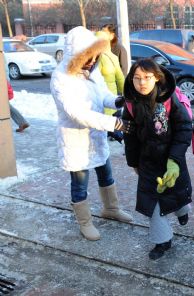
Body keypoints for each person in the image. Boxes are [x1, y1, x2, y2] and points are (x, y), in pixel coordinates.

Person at [50, 26, 133, 241]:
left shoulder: (92, 71)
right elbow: (78, 114)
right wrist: (116, 123)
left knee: (106, 173)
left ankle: (111, 208)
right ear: (74, 55)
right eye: (86, 57)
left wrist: (118, 100)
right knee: (80, 183)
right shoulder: (61, 78)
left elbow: (103, 94)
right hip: (75, 140)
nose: (91, 61)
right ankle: (85, 222)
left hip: (96, 135)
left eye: (94, 56)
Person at [122, 58, 192, 260]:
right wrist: (133, 162)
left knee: (176, 190)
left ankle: (182, 211)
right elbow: (130, 136)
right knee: (152, 202)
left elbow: (184, 128)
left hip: (171, 157)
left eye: (147, 77)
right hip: (147, 162)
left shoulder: (169, 99)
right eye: (137, 78)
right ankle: (162, 241)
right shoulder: (130, 104)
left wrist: (175, 159)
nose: (141, 83)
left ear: (157, 78)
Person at [95, 30, 125, 117]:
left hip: (101, 100)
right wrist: (124, 94)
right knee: (115, 126)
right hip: (113, 100)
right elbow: (120, 79)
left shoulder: (94, 59)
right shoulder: (113, 57)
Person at [4, 56, 29, 133]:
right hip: (4, 80)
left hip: (2, 80)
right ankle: (22, 122)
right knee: (5, 105)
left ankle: (22, 122)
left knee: (4, 105)